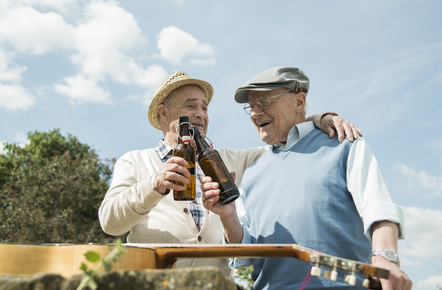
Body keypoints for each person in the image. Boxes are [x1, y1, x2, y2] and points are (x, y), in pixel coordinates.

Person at [98, 70, 362, 275]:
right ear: (164, 113)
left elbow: (284, 144)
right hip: (152, 288)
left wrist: (316, 119)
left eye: (204, 107)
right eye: (191, 106)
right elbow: (110, 223)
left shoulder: (226, 159)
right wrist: (153, 187)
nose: (201, 114)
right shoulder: (135, 161)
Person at [201, 66, 412, 290]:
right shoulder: (252, 172)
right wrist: (228, 215)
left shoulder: (343, 143)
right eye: (251, 106)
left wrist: (385, 257)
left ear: (299, 102)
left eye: (264, 102)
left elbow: (376, 205)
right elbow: (246, 253)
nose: (255, 113)